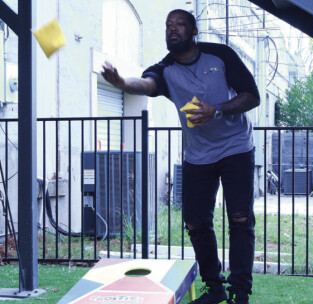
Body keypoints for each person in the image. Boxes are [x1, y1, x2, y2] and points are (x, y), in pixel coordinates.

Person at [101, 9, 259, 304]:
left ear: (194, 30)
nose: (173, 29)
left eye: (180, 24)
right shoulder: (166, 68)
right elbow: (146, 85)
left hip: (236, 147)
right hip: (198, 154)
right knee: (196, 223)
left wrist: (218, 109)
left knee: (239, 218)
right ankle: (215, 288)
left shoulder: (220, 55)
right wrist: (121, 82)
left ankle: (240, 291)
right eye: (168, 25)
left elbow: (252, 95)